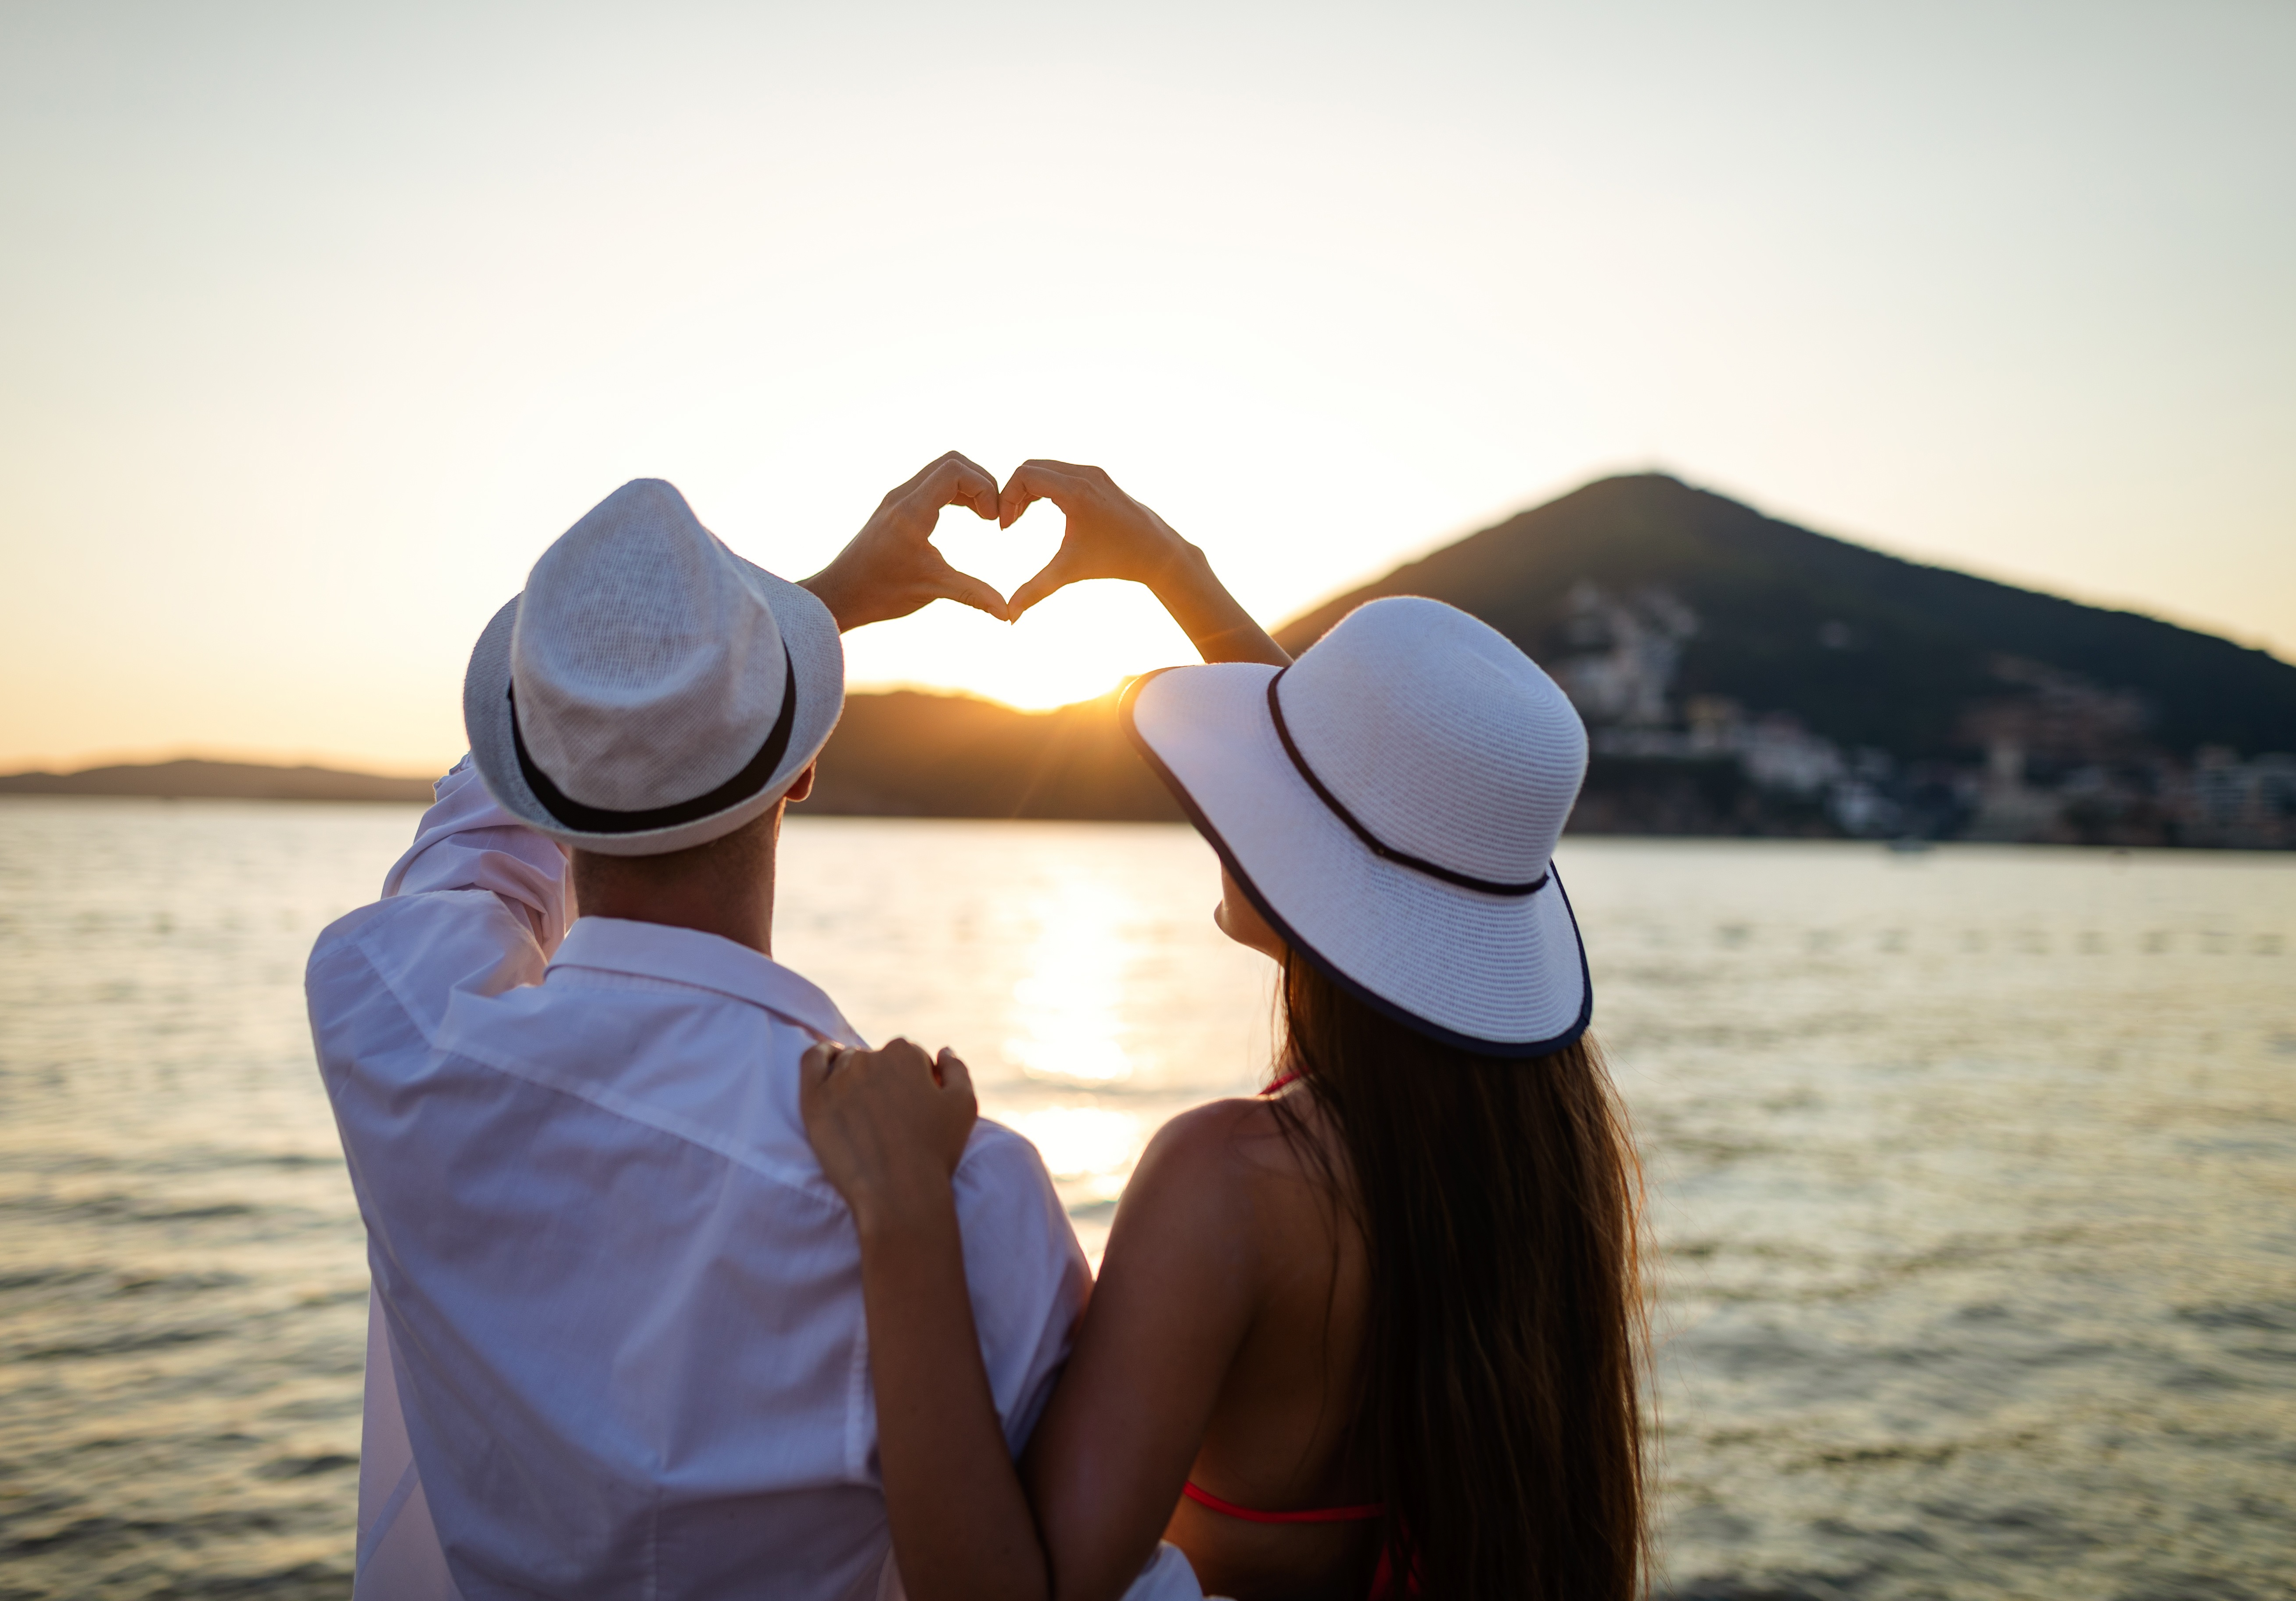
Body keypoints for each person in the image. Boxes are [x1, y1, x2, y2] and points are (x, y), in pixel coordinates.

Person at [308, 456, 1176, 1600]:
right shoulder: (965, 1202)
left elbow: (478, 829)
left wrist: (813, 610)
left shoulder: (391, 1026)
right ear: (805, 769)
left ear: (542, 781)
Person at [801, 463, 1649, 1601]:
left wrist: (901, 1212)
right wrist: (1166, 565)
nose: (1230, 810)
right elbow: (1376, 794)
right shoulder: (1538, 1142)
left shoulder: (1235, 1185)